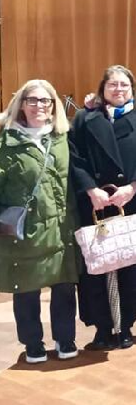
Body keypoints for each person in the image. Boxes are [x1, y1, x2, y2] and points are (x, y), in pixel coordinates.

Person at [69, 65, 136, 350]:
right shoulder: (85, 118)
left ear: (132, 89)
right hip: (95, 204)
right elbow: (74, 158)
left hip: (131, 203)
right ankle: (102, 327)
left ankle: (125, 325)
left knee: (132, 269)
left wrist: (133, 186)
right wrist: (91, 190)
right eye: (112, 84)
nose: (118, 89)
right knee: (96, 269)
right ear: (103, 88)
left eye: (124, 85)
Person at [0, 80, 80, 363]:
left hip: (62, 225)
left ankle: (65, 338)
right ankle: (32, 342)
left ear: (53, 105)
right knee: (26, 286)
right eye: (32, 100)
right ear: (21, 104)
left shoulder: (64, 137)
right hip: (26, 228)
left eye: (45, 100)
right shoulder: (6, 141)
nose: (39, 106)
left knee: (64, 284)